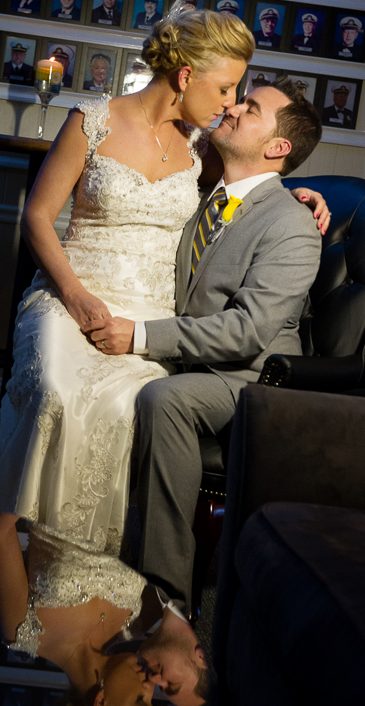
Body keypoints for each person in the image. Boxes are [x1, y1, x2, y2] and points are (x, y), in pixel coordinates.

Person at [0, 0, 327, 596]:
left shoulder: (202, 145)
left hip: (148, 312)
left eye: (241, 97)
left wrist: (300, 194)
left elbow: (252, 187)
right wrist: (75, 299)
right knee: (57, 387)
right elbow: (37, 217)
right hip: (71, 290)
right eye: (228, 88)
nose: (231, 104)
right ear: (187, 77)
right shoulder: (94, 120)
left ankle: (94, 576)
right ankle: (7, 526)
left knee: (131, 405)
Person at [85, 75, 325, 617]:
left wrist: (140, 337)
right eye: (239, 99)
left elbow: (246, 332)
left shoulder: (292, 225)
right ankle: (88, 558)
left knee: (165, 400)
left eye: (252, 108)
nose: (234, 108)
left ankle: (166, 594)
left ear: (278, 147)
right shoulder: (199, 190)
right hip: (187, 358)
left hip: (254, 379)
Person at [0, 511, 159, 706]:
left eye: (141, 701)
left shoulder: (21, 628)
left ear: (100, 704)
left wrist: (38, 474)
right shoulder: (145, 616)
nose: (150, 686)